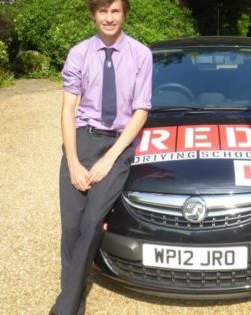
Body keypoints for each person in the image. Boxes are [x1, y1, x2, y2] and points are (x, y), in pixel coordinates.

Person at [50, 0, 152, 314]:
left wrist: (109, 158)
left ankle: (64, 307)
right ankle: (74, 303)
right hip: (82, 139)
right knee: (71, 229)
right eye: (103, 11)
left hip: (117, 146)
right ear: (94, 14)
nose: (109, 18)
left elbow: (141, 111)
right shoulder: (79, 53)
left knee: (93, 221)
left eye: (115, 11)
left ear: (124, 14)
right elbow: (68, 109)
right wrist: (73, 161)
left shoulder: (141, 55)